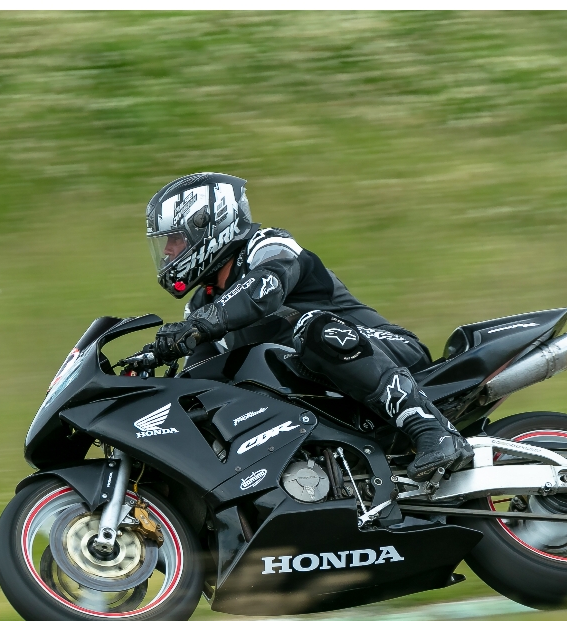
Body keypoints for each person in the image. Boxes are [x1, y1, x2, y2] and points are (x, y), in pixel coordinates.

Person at [147, 172, 473, 478]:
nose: (168, 251)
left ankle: (433, 430)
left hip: (389, 351)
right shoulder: (202, 305)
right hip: (329, 389)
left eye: (175, 238)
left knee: (312, 328)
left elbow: (264, 288)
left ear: (209, 225)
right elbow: (198, 381)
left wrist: (201, 324)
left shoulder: (268, 246)